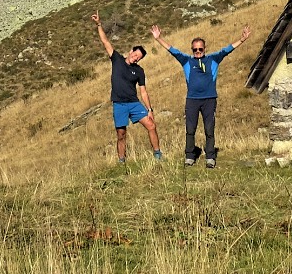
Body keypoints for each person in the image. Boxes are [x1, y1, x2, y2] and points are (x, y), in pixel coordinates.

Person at [149, 23, 251, 168]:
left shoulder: (213, 59)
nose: (198, 51)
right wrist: (159, 38)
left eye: (200, 49)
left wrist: (242, 39)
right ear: (192, 50)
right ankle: (190, 156)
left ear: (205, 48)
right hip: (192, 100)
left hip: (209, 100)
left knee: (209, 129)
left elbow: (227, 49)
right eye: (195, 49)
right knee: (190, 129)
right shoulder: (187, 60)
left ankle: (210, 157)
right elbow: (172, 50)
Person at [93, 11, 162, 163]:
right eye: (135, 54)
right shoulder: (117, 59)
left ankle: (158, 154)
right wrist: (99, 24)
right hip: (119, 104)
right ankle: (121, 160)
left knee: (151, 125)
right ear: (131, 51)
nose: (136, 57)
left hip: (134, 103)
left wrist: (149, 109)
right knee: (121, 134)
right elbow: (105, 42)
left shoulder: (139, 71)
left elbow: (143, 91)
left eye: (139, 57)